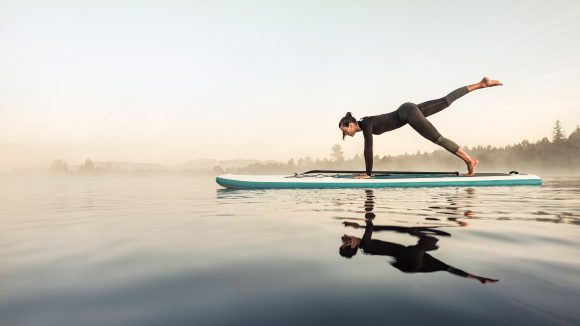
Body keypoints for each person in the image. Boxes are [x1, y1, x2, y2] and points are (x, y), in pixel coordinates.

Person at [338, 77, 503, 178]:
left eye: (346, 131)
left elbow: (368, 148)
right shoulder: (365, 121)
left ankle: (471, 160)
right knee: (445, 101)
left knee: (437, 138)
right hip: (408, 108)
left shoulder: (365, 123)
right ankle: (481, 84)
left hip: (407, 113)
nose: (347, 134)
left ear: (351, 125)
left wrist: (368, 173)